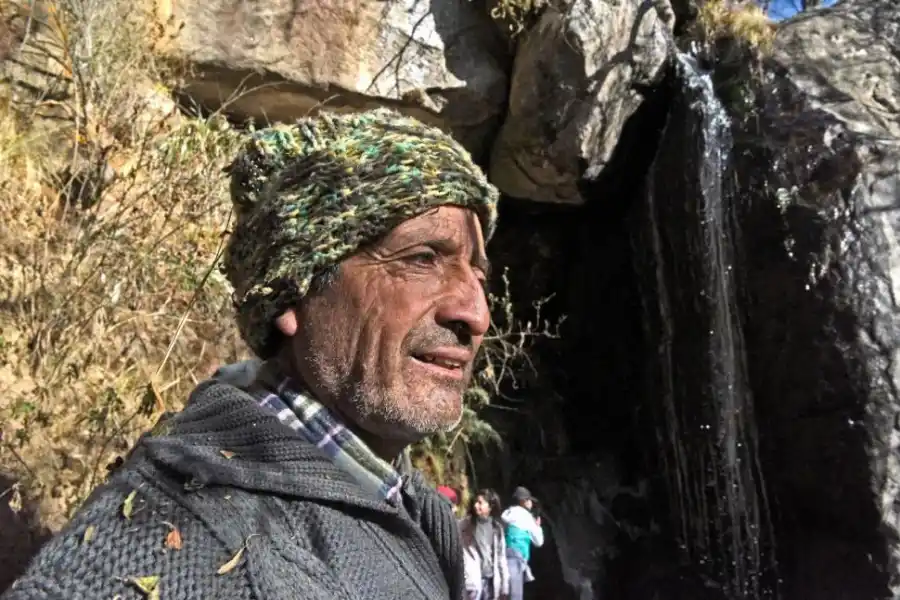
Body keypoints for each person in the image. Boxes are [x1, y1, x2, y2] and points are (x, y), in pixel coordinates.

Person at [2, 108, 499, 600]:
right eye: (421, 259)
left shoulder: (406, 504)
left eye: (479, 275)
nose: (476, 315)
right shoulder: (162, 543)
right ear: (292, 293)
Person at [460, 489, 509, 600]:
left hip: (491, 581)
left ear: (490, 507)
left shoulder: (497, 529)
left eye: (480, 503)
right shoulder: (465, 525)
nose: (476, 505)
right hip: (471, 582)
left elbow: (501, 558)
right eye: (476, 502)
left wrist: (505, 587)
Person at [502, 486, 545, 600]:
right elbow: (539, 542)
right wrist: (537, 526)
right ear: (523, 501)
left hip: (502, 556)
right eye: (529, 500)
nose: (531, 503)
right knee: (515, 596)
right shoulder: (526, 517)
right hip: (516, 558)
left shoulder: (506, 513)